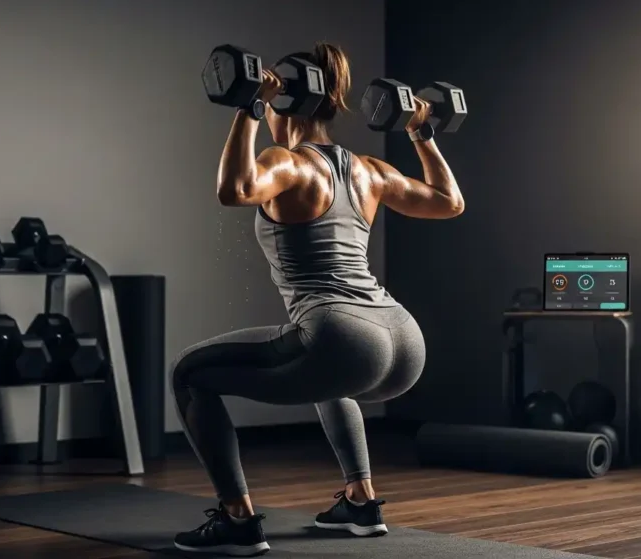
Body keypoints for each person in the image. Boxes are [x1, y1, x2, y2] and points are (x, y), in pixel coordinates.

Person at [170, 41, 463, 557]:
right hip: (401, 340)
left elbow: (234, 189)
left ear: (283, 101)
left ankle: (237, 522)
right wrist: (421, 133)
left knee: (188, 375)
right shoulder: (369, 168)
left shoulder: (288, 163)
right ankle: (361, 501)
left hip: (343, 335)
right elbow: (448, 203)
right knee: (332, 376)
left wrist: (247, 110)